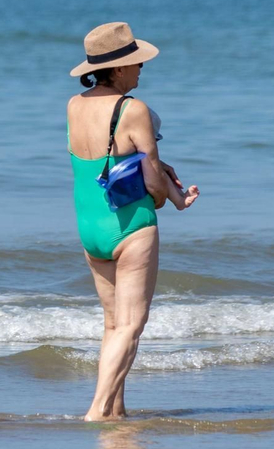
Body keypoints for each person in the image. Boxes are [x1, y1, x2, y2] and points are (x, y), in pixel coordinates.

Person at [67, 22, 198, 421]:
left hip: (90, 225)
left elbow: (112, 158)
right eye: (137, 62)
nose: (141, 68)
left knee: (113, 325)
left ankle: (117, 411)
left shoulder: (74, 105)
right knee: (131, 325)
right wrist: (174, 199)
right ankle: (96, 410)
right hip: (131, 223)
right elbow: (152, 173)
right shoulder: (133, 108)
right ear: (120, 68)